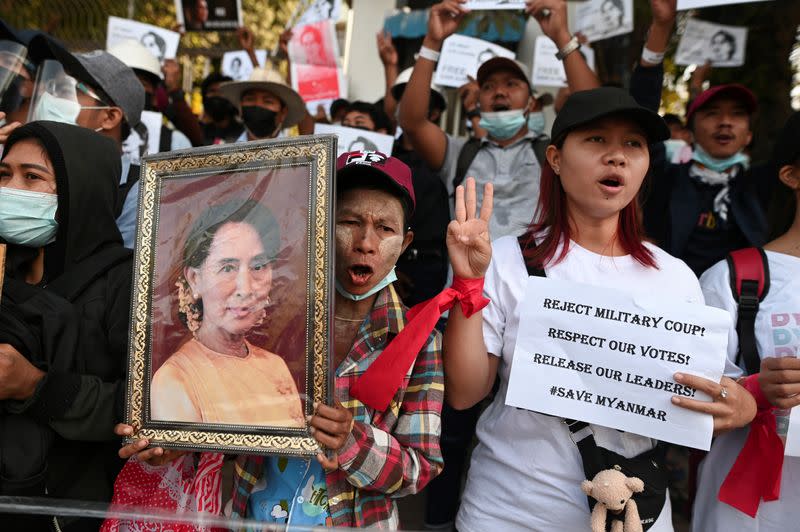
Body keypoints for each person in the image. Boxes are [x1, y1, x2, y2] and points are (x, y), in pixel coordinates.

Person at [442, 87, 756, 531]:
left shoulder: (677, 278)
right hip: (510, 512)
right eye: (595, 140)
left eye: (633, 144)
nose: (617, 157)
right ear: (554, 158)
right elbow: (465, 392)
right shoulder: (506, 260)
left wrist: (741, 406)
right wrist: (469, 282)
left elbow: (709, 397)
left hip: (637, 517)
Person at [110, 151, 443, 529]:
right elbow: (229, 419)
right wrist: (173, 440)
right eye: (349, 221)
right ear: (319, 226)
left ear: (404, 243)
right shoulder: (277, 325)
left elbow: (421, 468)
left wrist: (352, 439)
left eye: (385, 228)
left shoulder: (419, 340)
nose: (365, 242)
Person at [0, 121, 133, 530]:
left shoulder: (123, 282)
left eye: (32, 177)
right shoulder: (5, 269)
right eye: (4, 174)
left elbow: (140, 408)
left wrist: (36, 386)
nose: (10, 188)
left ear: (80, 190)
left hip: (72, 508)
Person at [399, 0, 599, 240]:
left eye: (512, 84)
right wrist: (432, 42)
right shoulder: (458, 154)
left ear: (532, 103)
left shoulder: (553, 156)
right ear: (478, 101)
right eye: (488, 86)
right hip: (469, 278)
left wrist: (562, 36)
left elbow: (594, 114)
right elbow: (412, 122)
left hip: (535, 278)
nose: (499, 92)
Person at [691, 112, 800, 532]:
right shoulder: (734, 278)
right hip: (746, 511)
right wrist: (756, 391)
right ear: (791, 176)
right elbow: (682, 398)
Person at [150, 199, 304, 427]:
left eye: (258, 266)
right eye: (227, 268)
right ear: (195, 279)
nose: (245, 287)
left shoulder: (275, 366)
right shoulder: (175, 379)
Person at [218, 67, 312, 142]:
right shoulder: (222, 155)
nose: (258, 105)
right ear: (240, 108)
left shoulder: (296, 159)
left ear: (283, 113)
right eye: (250, 99)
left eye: (268, 101)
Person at [200, 72, 244, 144]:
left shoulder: (244, 134)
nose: (217, 95)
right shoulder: (197, 132)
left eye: (221, 91)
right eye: (212, 91)